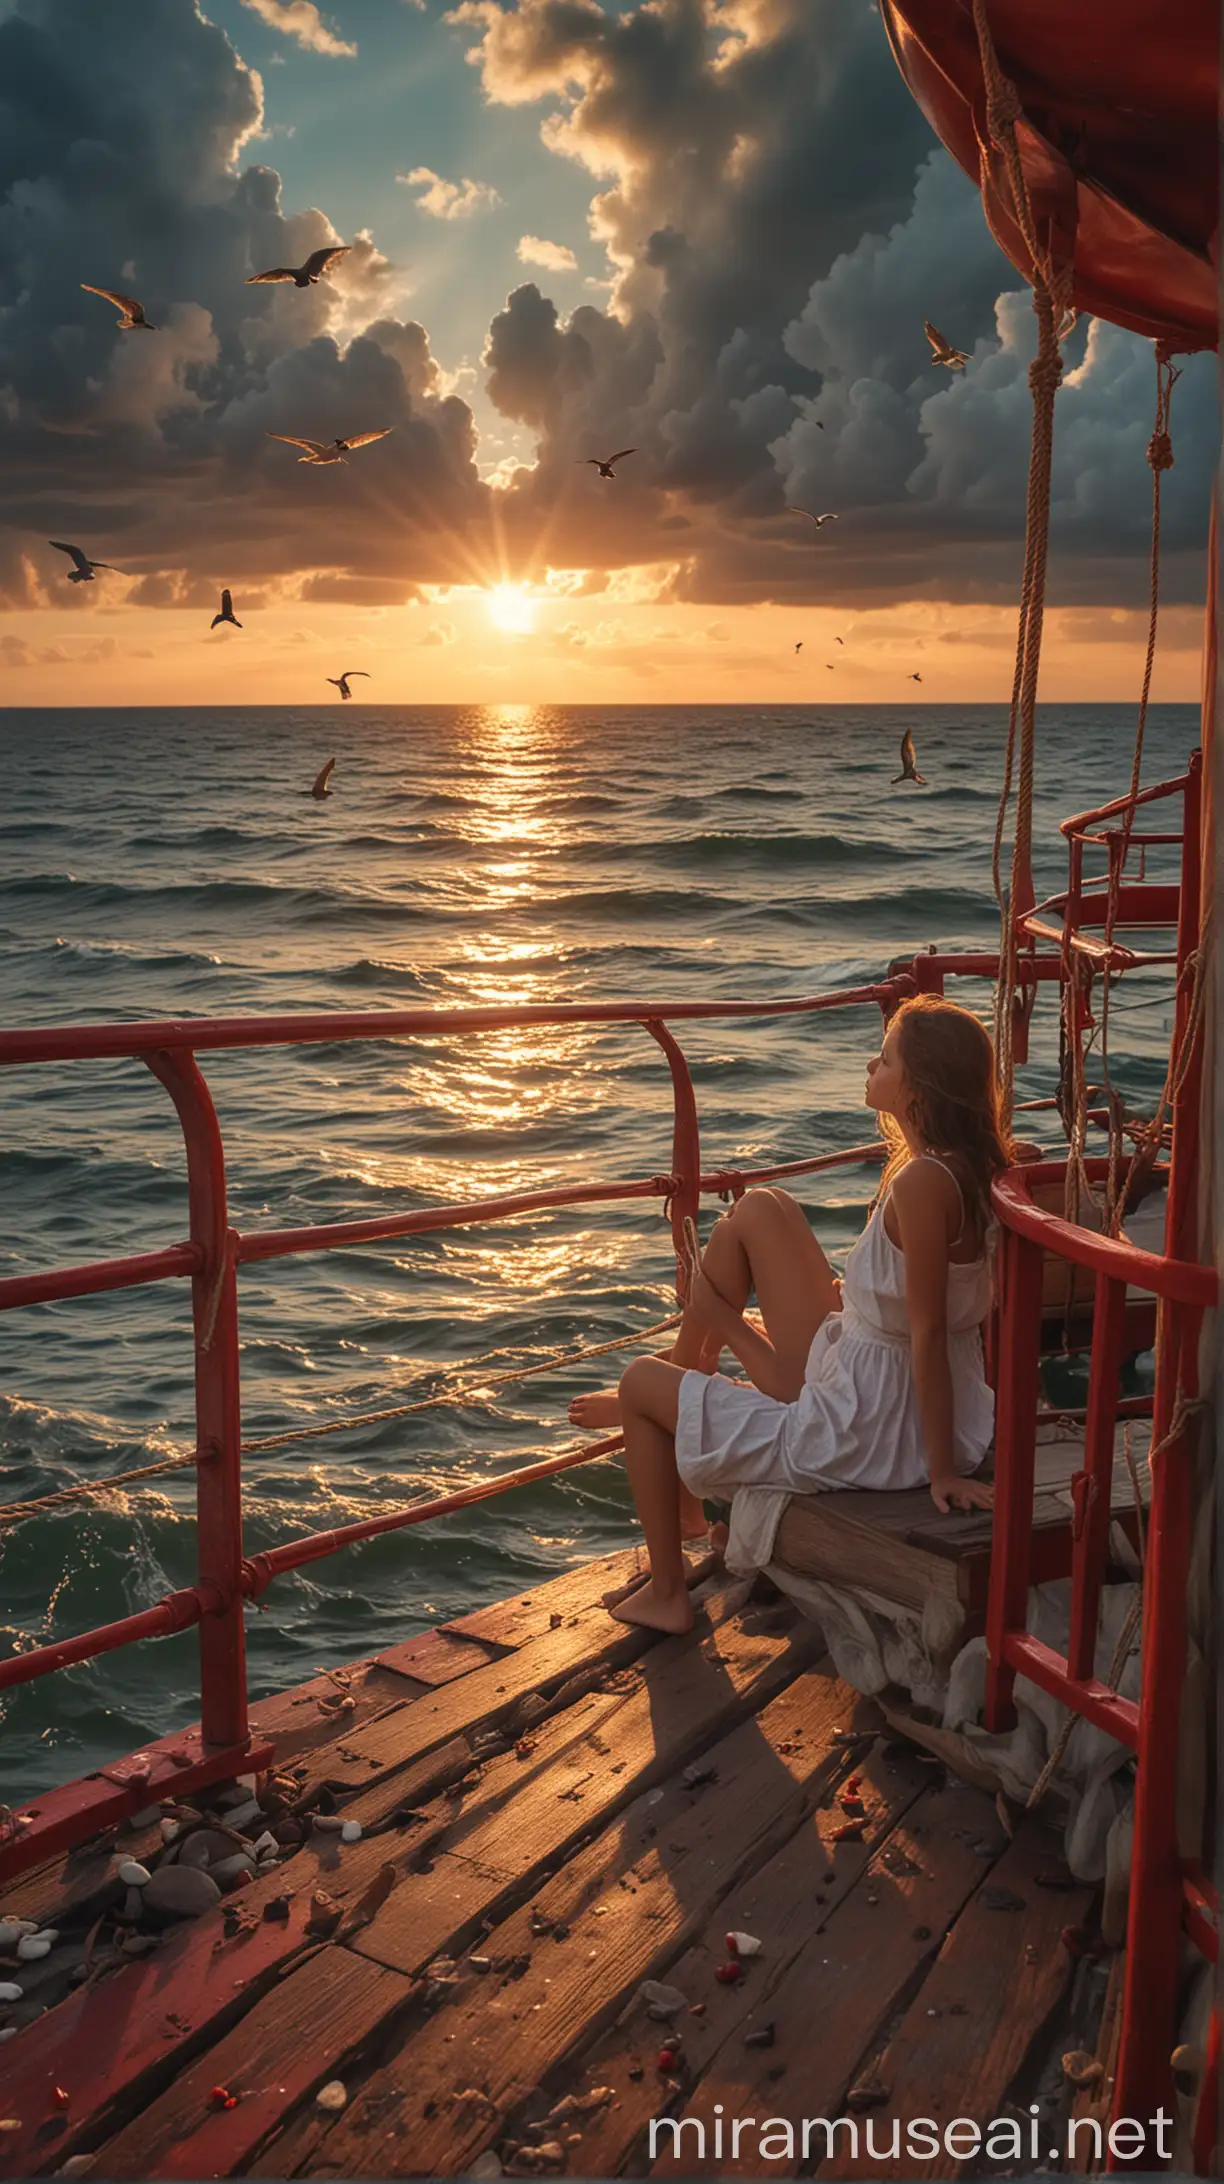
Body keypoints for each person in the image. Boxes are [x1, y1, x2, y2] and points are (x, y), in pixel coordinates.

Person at [569, 994, 1012, 1632]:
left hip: (868, 1426)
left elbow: (929, 1334)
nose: (870, 1066)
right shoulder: (958, 1170)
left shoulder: (922, 1185)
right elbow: (925, 1318)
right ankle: (686, 1443)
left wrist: (940, 1470)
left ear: (918, 1086)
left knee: (638, 1379)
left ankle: (667, 1586)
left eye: (884, 1059)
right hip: (878, 1384)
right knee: (760, 1208)